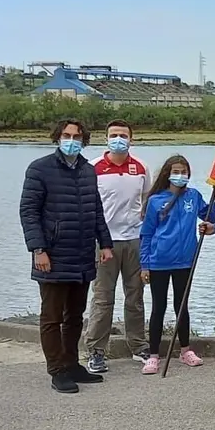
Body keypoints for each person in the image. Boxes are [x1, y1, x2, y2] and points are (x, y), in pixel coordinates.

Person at [20, 119, 114, 393]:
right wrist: (39, 249)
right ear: (57, 137)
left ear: (84, 140)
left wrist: (105, 244)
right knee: (52, 317)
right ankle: (57, 370)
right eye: (66, 135)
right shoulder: (40, 169)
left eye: (77, 136)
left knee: (75, 315)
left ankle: (73, 364)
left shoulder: (87, 170)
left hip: (83, 254)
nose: (71, 139)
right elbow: (29, 212)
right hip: (52, 255)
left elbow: (96, 209)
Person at [139, 155, 215, 375]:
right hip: (159, 262)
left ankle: (185, 350)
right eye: (176, 171)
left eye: (184, 171)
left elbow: (209, 215)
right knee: (159, 306)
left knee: (181, 305)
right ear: (167, 173)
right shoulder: (156, 200)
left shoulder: (193, 196)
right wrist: (144, 264)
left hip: (185, 261)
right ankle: (154, 355)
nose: (181, 175)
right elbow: (146, 235)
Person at [84, 119, 152, 373]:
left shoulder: (142, 167)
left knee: (135, 297)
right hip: (104, 243)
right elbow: (89, 206)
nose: (118, 138)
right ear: (106, 138)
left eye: (123, 134)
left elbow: (146, 202)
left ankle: (138, 345)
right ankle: (96, 351)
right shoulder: (93, 168)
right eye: (114, 134)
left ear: (131, 138)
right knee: (103, 298)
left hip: (134, 239)